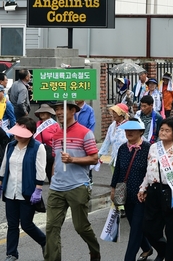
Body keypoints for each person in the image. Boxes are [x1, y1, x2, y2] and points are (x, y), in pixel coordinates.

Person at [45, 101, 101, 261]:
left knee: (81, 227)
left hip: (77, 186)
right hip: (57, 188)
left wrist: (73, 159)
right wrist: (53, 178)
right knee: (51, 228)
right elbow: (56, 161)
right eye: (56, 109)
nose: (58, 112)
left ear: (73, 111)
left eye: (62, 109)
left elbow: (94, 158)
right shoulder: (56, 135)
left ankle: (94, 249)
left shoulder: (85, 133)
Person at [138, 118, 173, 261]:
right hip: (154, 191)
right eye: (162, 129)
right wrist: (143, 188)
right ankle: (163, 250)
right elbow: (149, 170)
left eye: (167, 130)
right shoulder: (153, 148)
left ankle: (170, 257)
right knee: (149, 228)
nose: (163, 132)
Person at [0, 118, 47, 261]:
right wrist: (1, 183)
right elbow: (4, 166)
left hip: (28, 192)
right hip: (10, 191)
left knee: (26, 224)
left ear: (31, 133)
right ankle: (11, 254)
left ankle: (45, 242)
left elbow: (40, 170)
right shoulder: (11, 146)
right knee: (12, 224)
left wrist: (38, 189)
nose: (17, 135)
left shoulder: (38, 147)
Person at [110, 119, 153, 261]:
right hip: (125, 194)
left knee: (135, 230)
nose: (129, 133)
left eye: (133, 130)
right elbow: (118, 170)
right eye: (127, 130)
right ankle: (147, 248)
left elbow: (152, 172)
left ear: (141, 132)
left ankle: (129, 258)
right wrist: (113, 188)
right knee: (134, 225)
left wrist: (147, 190)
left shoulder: (148, 149)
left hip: (142, 195)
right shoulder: (122, 148)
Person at [34, 104, 60, 182]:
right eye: (41, 112)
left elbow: (59, 138)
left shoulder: (55, 124)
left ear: (49, 113)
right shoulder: (37, 124)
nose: (42, 113)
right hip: (38, 151)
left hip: (50, 152)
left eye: (44, 112)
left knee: (50, 173)